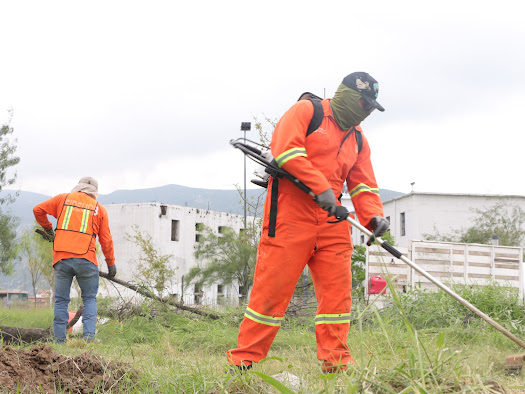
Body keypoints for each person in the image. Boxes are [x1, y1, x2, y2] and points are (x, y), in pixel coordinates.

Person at [227, 72, 390, 373]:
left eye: (371, 107)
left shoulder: (358, 139)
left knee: (338, 297)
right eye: (364, 104)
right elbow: (288, 150)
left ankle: (336, 363)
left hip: (333, 220)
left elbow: (364, 184)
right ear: (348, 96)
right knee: (271, 292)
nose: (366, 112)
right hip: (290, 213)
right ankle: (243, 361)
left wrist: (373, 216)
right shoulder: (307, 112)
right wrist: (321, 187)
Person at [33, 176, 117, 343]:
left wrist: (49, 229)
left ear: (78, 188)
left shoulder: (62, 199)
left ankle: (59, 341)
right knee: (89, 299)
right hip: (86, 260)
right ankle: (88, 339)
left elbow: (37, 210)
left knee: (62, 300)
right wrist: (111, 264)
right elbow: (106, 239)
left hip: (62, 259)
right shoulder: (98, 209)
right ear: (94, 193)